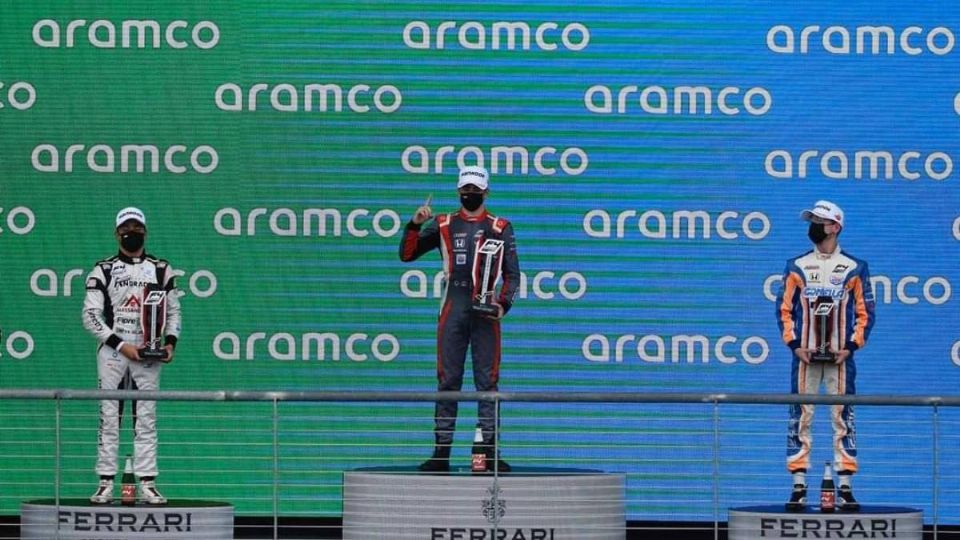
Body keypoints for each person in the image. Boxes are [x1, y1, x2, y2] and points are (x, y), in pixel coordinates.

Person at [399, 166, 520, 472]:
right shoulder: (443, 223)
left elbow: (512, 275)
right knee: (448, 380)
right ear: (457, 191)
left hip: (486, 311)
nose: (470, 194)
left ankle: (486, 454)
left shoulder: (501, 226)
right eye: (466, 189)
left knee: (487, 382)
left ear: (487, 192)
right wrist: (414, 224)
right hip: (453, 304)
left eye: (476, 189)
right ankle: (441, 453)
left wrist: (503, 305)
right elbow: (407, 254)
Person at [776, 200, 875, 511]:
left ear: (834, 226)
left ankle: (844, 486)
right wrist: (795, 346)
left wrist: (850, 347)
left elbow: (866, 313)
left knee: (843, 418)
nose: (813, 227)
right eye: (811, 221)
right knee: (800, 417)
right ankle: (798, 486)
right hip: (804, 358)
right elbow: (783, 311)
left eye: (818, 221)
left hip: (840, 360)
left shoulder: (855, 267)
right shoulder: (797, 266)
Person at [83, 207, 182, 505]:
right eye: (126, 228)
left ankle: (148, 483)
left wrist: (170, 344)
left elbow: (174, 311)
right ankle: (105, 482)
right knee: (109, 416)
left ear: (145, 232)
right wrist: (121, 344)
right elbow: (90, 316)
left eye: (137, 228)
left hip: (148, 351)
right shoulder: (104, 269)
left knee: (147, 418)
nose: (132, 233)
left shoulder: (162, 269)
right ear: (116, 233)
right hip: (114, 351)